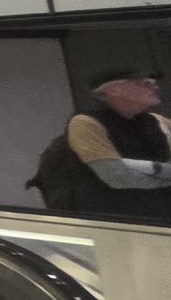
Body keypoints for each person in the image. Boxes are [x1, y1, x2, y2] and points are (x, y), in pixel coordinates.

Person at [41, 67, 171, 217]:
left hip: (160, 216)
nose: (153, 84)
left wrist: (139, 167)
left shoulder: (157, 121)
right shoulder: (86, 123)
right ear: (114, 90)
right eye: (141, 82)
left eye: (153, 80)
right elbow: (117, 177)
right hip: (115, 221)